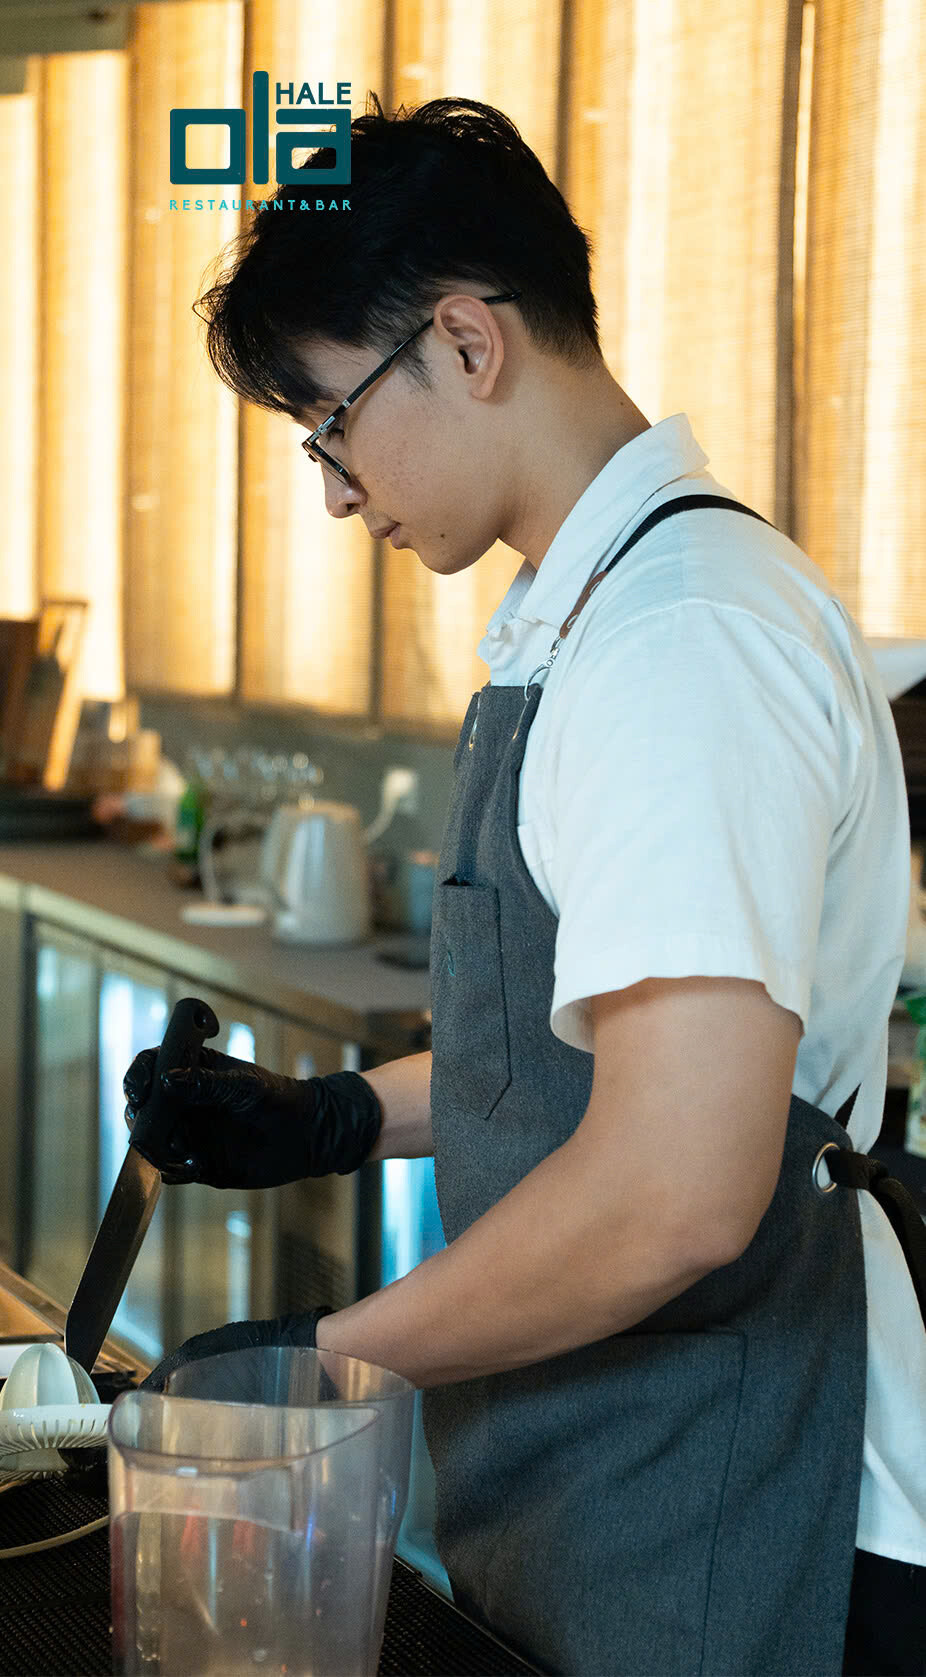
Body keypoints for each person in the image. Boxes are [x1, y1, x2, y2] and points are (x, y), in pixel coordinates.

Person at [122, 98, 926, 1675]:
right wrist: (335, 1117)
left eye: (331, 421)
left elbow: (672, 1187)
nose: (332, 487)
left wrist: (318, 1361)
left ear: (466, 342)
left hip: (745, 1482)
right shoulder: (599, 615)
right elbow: (597, 1054)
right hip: (619, 1456)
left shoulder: (684, 643)